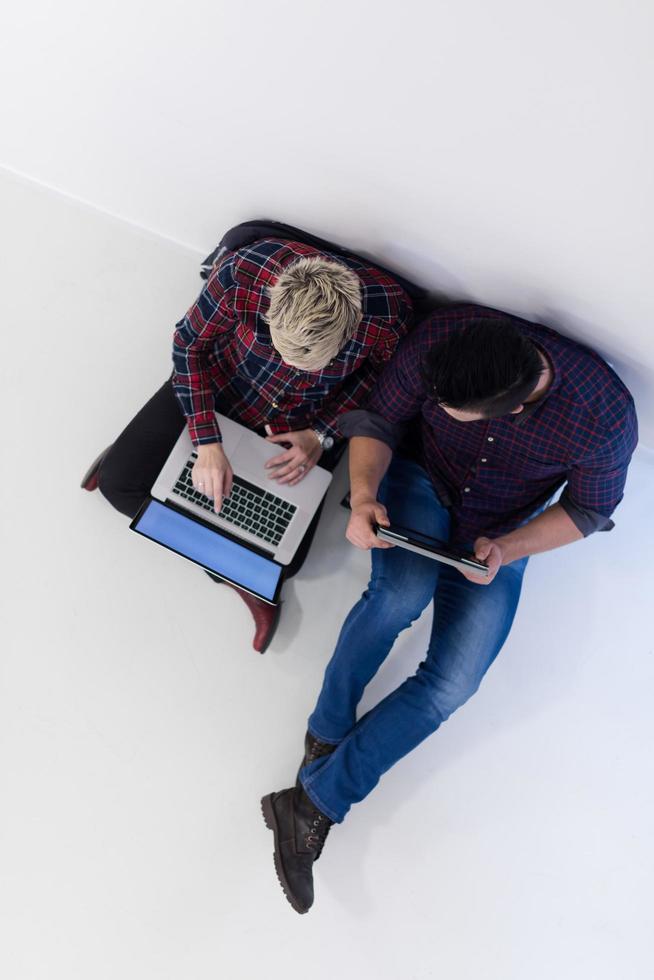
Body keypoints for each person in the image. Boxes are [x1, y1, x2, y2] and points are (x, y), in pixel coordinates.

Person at [261, 304, 638, 913]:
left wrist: (508, 549)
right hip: (422, 484)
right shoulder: (447, 337)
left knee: (454, 684)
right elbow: (381, 419)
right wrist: (361, 497)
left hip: (505, 527)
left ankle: (311, 803)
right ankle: (324, 736)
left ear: (512, 408)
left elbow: (589, 512)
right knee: (399, 596)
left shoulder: (605, 416)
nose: (440, 412)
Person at [90, 237, 413, 650]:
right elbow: (188, 345)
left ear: (351, 330)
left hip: (298, 426)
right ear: (271, 303)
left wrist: (323, 435)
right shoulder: (243, 273)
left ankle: (237, 568)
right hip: (221, 385)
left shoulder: (389, 315)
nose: (290, 365)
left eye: (312, 363)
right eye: (281, 349)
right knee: (118, 487)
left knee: (285, 563)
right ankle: (231, 569)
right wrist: (207, 442)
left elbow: (380, 384)